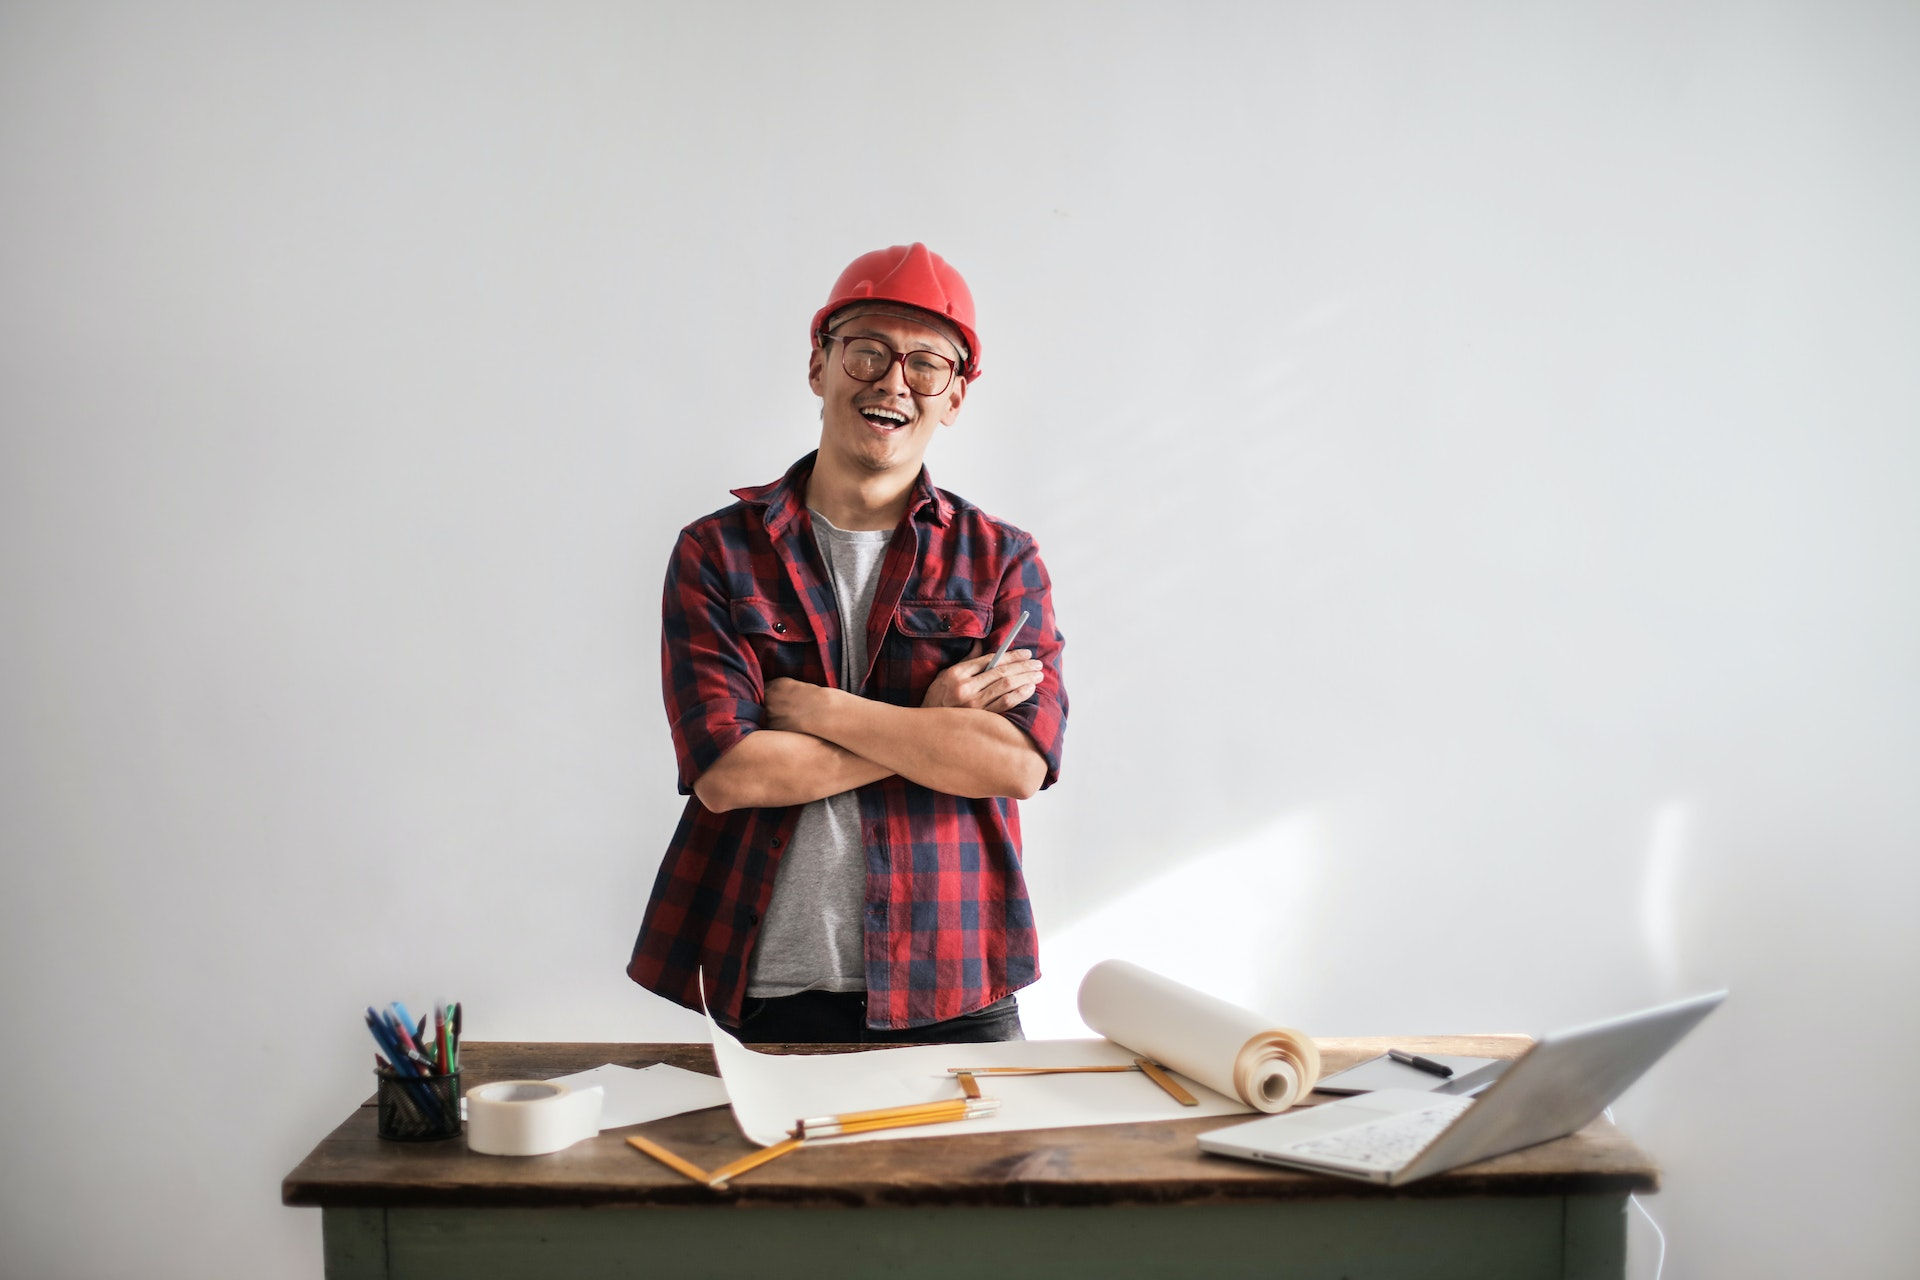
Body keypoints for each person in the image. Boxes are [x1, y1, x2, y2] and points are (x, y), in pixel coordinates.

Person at [626, 243, 1068, 1045]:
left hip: (958, 988)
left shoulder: (1003, 559)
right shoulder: (717, 553)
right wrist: (934, 723)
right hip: (771, 990)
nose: (893, 382)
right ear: (818, 366)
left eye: (928, 364)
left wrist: (823, 711)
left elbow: (1017, 766)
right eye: (867, 350)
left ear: (957, 396)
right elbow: (729, 775)